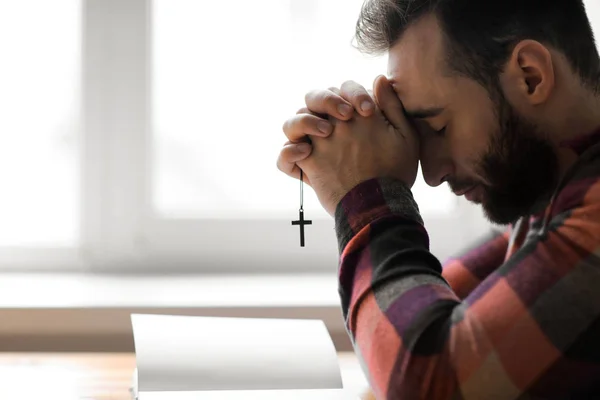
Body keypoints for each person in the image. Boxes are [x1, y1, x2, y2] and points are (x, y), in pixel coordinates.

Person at [276, 0, 600, 398]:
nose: (429, 174)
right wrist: (359, 159)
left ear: (530, 76)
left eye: (437, 127)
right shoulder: (553, 198)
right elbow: (415, 321)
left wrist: (364, 197)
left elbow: (426, 379)